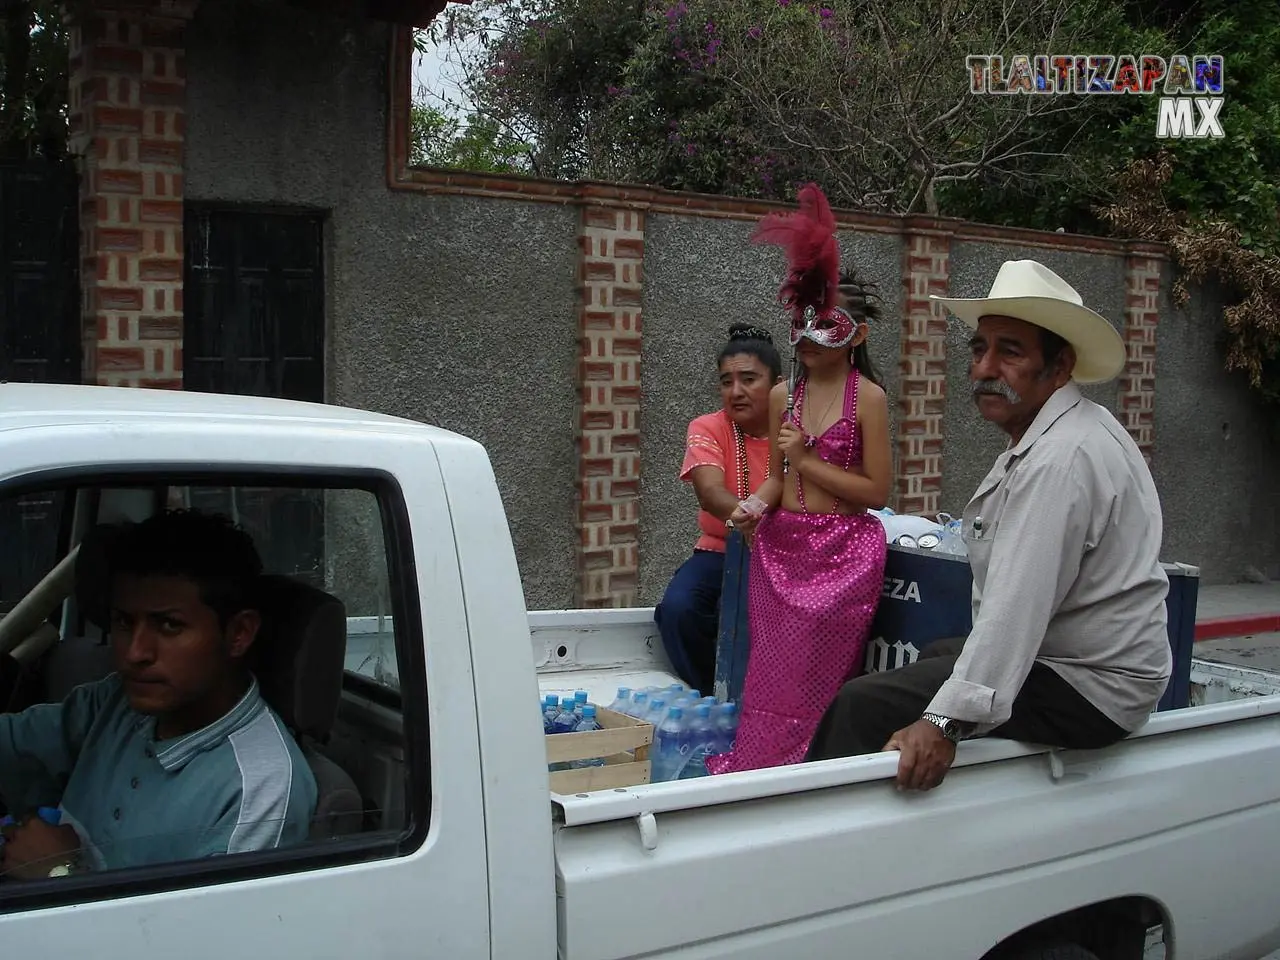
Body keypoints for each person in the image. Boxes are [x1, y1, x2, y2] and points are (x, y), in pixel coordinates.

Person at [805, 259, 1173, 792]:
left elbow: (1016, 607)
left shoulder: (1060, 459)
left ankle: (819, 838)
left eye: (1011, 351)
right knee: (938, 656)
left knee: (862, 705)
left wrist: (943, 723)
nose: (983, 369)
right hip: (1085, 664)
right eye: (980, 349)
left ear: (1060, 365)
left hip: (1092, 687)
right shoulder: (1061, 430)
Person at [0, 510, 318, 879]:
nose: (135, 653)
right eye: (124, 622)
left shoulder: (260, 790)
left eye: (169, 625)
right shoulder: (120, 703)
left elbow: (208, 935)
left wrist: (59, 871)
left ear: (238, 634)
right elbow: (14, 744)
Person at [707, 184, 891, 775]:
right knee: (770, 676)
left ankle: (813, 774)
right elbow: (776, 484)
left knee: (819, 680)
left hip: (844, 558)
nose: (809, 339)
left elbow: (877, 495)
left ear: (856, 335)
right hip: (781, 551)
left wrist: (810, 461)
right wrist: (753, 506)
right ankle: (760, 770)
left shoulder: (871, 400)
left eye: (825, 327)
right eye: (802, 324)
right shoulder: (786, 393)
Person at [655, 323, 783, 693]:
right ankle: (713, 699)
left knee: (755, 622)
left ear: (778, 384)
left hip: (782, 555)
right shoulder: (709, 427)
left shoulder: (795, 430)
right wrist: (748, 520)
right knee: (679, 610)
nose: (736, 391)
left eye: (749, 379)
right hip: (719, 552)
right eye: (727, 381)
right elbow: (710, 492)